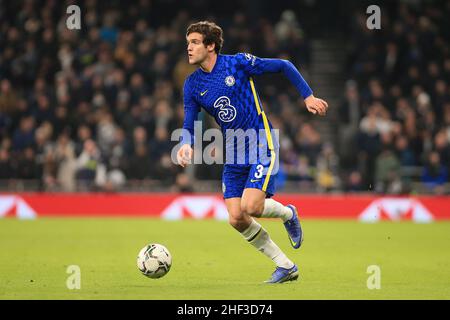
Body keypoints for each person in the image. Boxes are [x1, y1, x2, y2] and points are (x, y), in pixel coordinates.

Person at [176, 21, 328, 283]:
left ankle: (288, 213)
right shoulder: (192, 85)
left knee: (251, 206)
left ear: (210, 46)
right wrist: (186, 143)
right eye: (188, 42)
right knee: (236, 217)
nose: (188, 48)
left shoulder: (237, 63)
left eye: (195, 42)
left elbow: (284, 66)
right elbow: (189, 119)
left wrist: (308, 97)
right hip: (234, 150)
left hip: (260, 141)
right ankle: (285, 266)